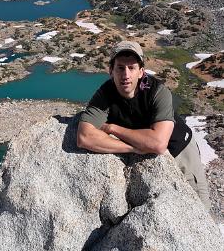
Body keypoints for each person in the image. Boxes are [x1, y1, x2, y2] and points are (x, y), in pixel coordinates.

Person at [77, 41, 210, 210]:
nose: (126, 74)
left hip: (180, 150)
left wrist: (112, 128)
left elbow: (158, 144)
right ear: (110, 70)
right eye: (120, 68)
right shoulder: (105, 94)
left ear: (141, 72)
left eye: (131, 68)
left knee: (200, 208)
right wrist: (132, 148)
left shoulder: (157, 91)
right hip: (144, 151)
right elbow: (84, 137)